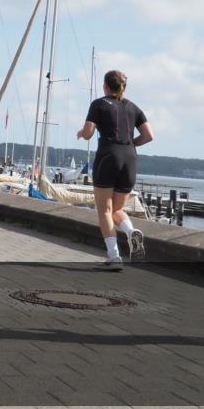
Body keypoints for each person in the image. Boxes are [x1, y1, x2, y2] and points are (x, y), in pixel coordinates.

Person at [77, 70, 154, 270]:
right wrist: (129, 145)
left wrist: (81, 133)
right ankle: (130, 232)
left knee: (105, 210)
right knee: (118, 210)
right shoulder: (133, 107)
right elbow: (148, 135)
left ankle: (114, 256)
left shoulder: (99, 104)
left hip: (108, 156)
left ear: (105, 86)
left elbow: (88, 133)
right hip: (130, 158)